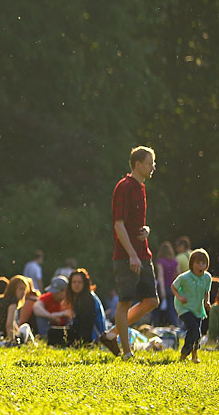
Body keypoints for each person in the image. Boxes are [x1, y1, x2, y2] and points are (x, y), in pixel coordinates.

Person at [98, 146, 160, 360]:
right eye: (150, 162)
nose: (153, 167)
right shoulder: (124, 187)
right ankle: (127, 353)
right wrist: (132, 254)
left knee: (152, 301)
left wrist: (147, 229)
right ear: (137, 164)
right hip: (127, 256)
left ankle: (112, 334)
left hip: (143, 253)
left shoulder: (141, 187)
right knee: (124, 303)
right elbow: (118, 225)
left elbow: (135, 223)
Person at [171, 249, 211, 363]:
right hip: (183, 307)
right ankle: (184, 353)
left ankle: (194, 356)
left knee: (195, 333)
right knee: (194, 330)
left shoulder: (207, 277)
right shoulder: (184, 277)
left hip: (197, 309)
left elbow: (206, 292)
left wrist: (206, 302)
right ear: (192, 264)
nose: (200, 266)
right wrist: (179, 297)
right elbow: (173, 286)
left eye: (203, 263)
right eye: (197, 263)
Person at [65, 268, 104, 345]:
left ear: (85, 284)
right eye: (74, 282)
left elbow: (87, 325)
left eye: (79, 282)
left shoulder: (88, 299)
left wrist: (80, 343)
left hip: (93, 337)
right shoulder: (79, 297)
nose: (76, 285)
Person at [0, 275, 30, 342]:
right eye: (20, 289)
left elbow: (12, 322)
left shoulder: (1, 300)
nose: (23, 292)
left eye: (24, 289)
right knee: (26, 327)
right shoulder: (12, 303)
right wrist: (12, 340)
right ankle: (32, 344)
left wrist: (17, 330)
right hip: (4, 335)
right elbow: (9, 324)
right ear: (13, 289)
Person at [154, 241, 179, 326]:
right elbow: (178, 274)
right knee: (172, 309)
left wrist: (162, 290)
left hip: (163, 287)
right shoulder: (175, 261)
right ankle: (175, 325)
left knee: (156, 308)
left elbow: (160, 276)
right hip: (172, 287)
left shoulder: (160, 261)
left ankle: (155, 325)